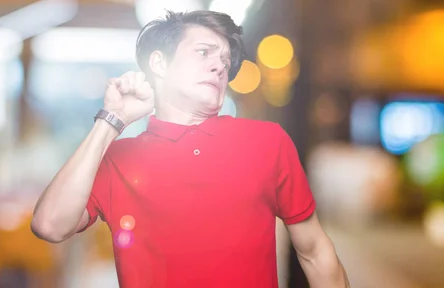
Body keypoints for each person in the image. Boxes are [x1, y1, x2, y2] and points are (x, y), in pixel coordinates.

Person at [32, 10, 349, 288]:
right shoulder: (119, 159)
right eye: (204, 52)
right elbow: (49, 225)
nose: (219, 67)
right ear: (159, 62)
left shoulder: (268, 141)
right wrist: (111, 120)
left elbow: (315, 252)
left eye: (225, 61)